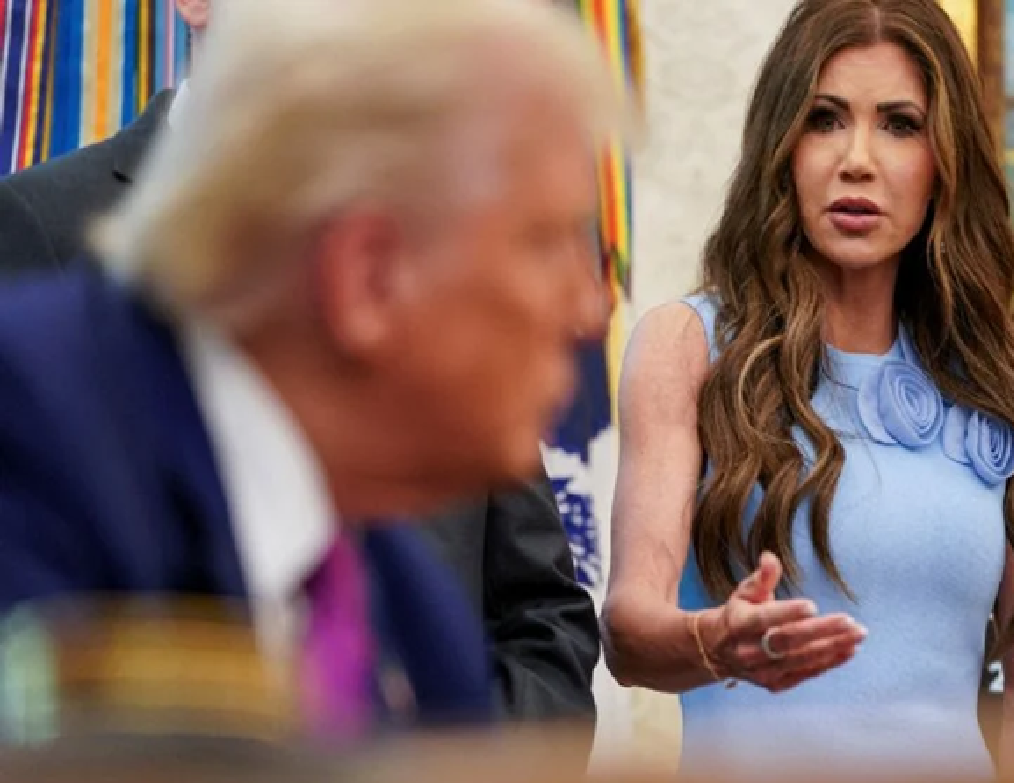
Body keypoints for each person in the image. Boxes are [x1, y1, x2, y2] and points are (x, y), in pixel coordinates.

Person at [0, 0, 615, 741]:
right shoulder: (30, 439)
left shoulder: (414, 616)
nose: (590, 308)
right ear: (366, 277)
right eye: (542, 242)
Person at [600, 0, 1014, 778]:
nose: (856, 159)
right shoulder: (687, 347)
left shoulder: (1003, 384)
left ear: (945, 159)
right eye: (824, 119)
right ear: (782, 146)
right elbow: (628, 631)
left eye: (899, 124)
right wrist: (712, 641)